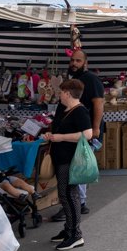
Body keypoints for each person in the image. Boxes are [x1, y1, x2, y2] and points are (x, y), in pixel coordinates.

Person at [51, 50, 103, 221]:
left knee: (78, 168)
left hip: (84, 130)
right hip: (74, 131)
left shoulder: (91, 79)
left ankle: (77, 206)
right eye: (72, 60)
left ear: (85, 62)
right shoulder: (72, 80)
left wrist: (95, 129)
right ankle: (76, 206)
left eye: (78, 60)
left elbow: (98, 103)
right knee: (75, 170)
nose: (74, 63)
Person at [42, 79, 93, 251]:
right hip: (60, 156)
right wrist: (51, 134)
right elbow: (58, 129)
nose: (60, 95)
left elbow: (88, 134)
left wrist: (61, 137)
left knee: (69, 194)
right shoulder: (62, 109)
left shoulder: (80, 111)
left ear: (68, 93)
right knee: (66, 194)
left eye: (62, 92)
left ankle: (75, 234)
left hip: (70, 159)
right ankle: (68, 230)